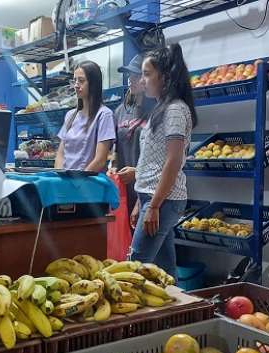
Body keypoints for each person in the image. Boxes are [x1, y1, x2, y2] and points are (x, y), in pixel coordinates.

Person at [129, 44, 198, 279]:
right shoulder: (163, 108)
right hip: (155, 197)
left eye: (147, 74)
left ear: (165, 77)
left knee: (135, 268)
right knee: (165, 271)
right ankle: (177, 312)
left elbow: (173, 160)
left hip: (164, 201)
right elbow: (151, 159)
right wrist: (142, 201)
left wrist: (154, 205)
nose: (143, 80)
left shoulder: (176, 110)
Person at [111, 54, 154, 224]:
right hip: (123, 190)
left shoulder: (156, 112)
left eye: (136, 75)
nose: (131, 79)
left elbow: (160, 159)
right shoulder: (120, 111)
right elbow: (114, 148)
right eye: (130, 75)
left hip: (147, 190)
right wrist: (113, 166)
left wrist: (137, 173)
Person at [55, 61, 116, 171]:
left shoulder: (104, 115)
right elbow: (60, 155)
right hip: (67, 182)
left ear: (93, 83)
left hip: (88, 184)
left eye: (81, 81)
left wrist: (79, 182)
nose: (76, 85)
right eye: (74, 81)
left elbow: (100, 160)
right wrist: (60, 178)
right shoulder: (70, 115)